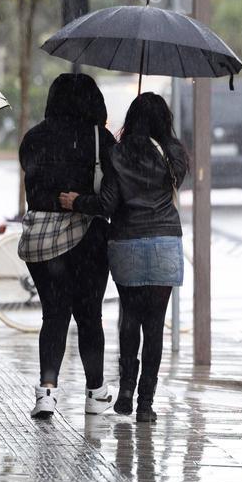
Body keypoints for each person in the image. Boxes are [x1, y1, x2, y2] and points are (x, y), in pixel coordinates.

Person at [60, 92, 187, 423]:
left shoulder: (117, 154)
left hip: (127, 242)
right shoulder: (174, 153)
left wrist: (77, 201)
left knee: (129, 318)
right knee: (155, 325)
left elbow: (106, 205)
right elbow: (172, 186)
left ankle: (126, 392)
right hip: (163, 242)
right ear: (165, 120)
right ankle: (146, 403)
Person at [18, 72, 116, 419]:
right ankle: (95, 392)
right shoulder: (99, 138)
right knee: (90, 316)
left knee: (54, 315)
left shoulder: (33, 138)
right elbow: (110, 194)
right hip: (88, 237)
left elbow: (34, 193)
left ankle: (47, 392)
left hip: (43, 240)